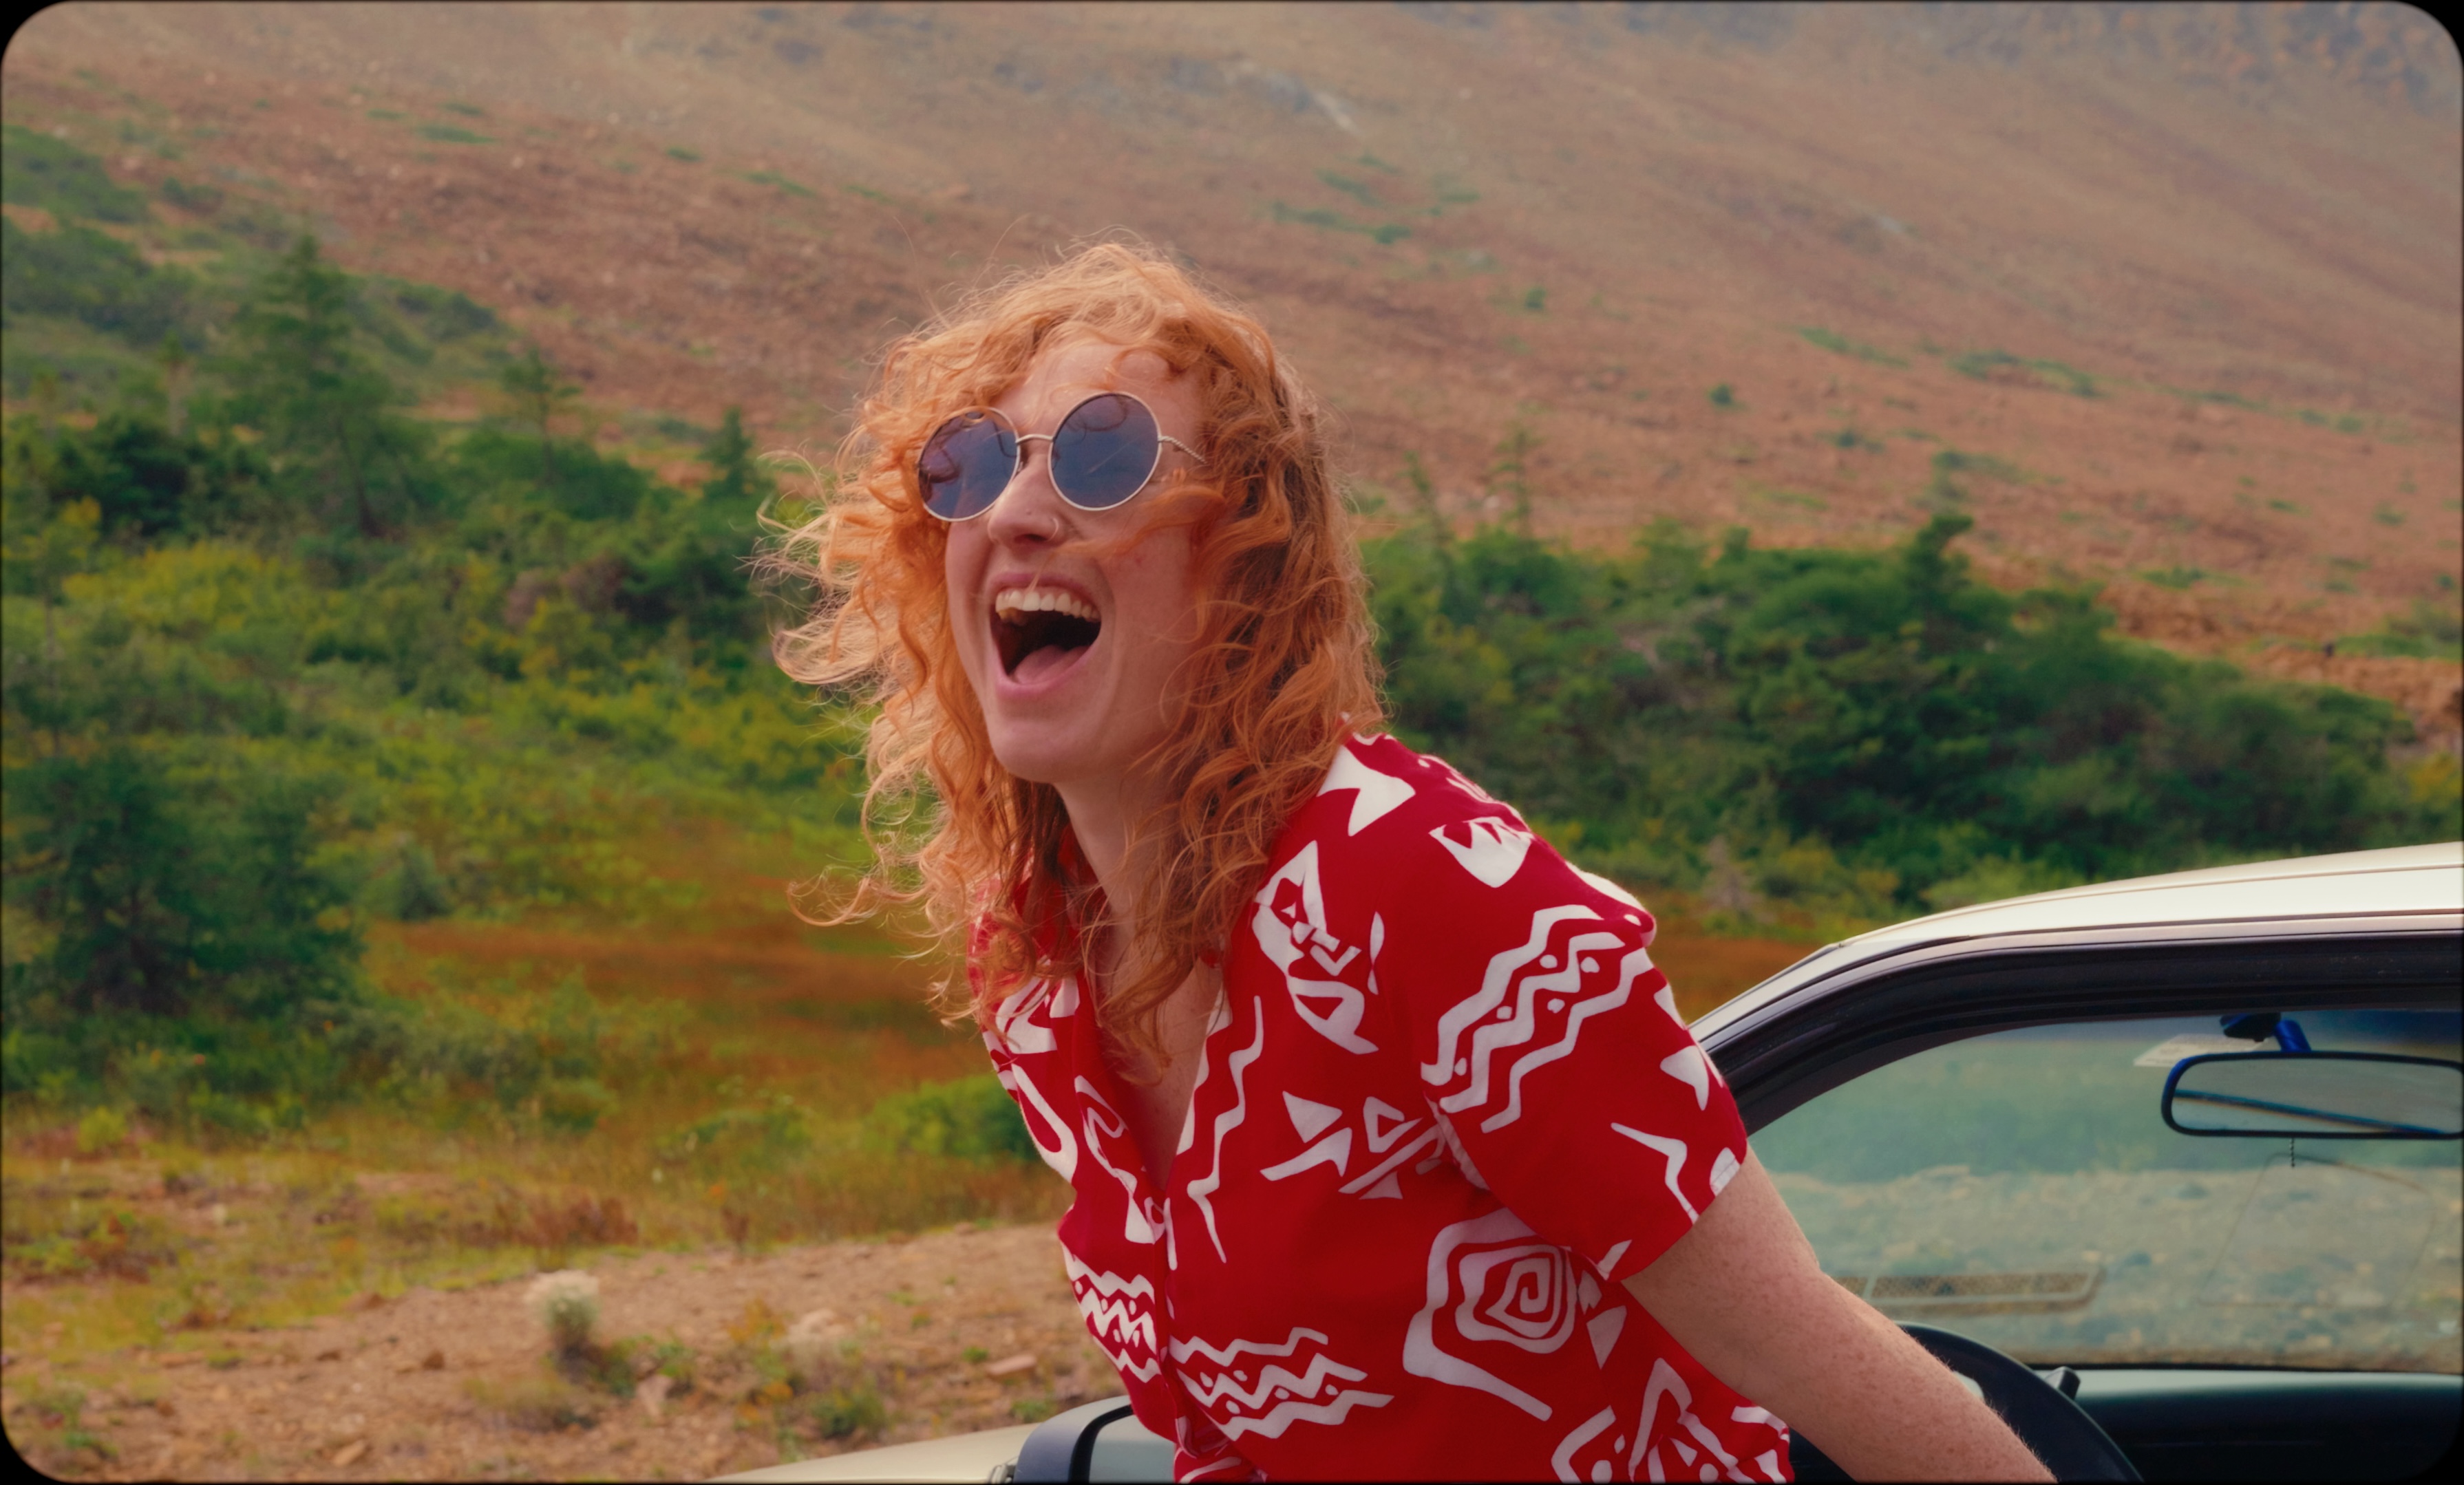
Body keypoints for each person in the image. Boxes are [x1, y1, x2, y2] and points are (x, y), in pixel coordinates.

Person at [773, 243, 2049, 1482]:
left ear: (1248, 561)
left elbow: (1814, 1358)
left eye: (1104, 458)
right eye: (971, 463)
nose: (1014, 510)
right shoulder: (1039, 957)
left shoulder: (1423, 888)